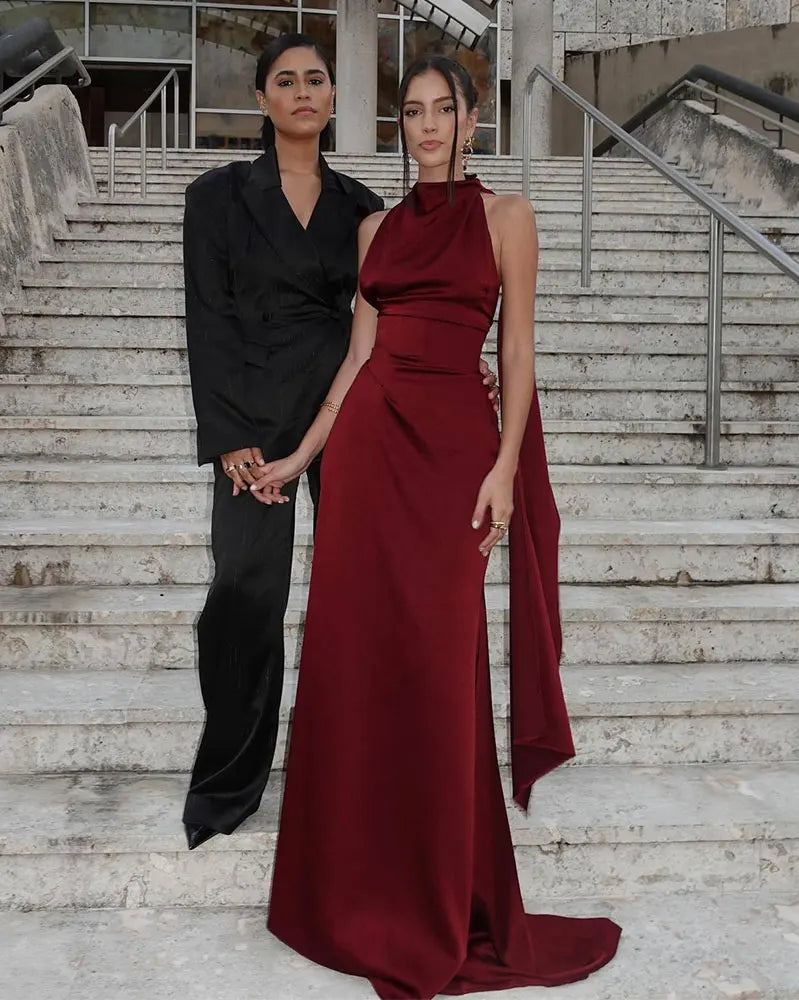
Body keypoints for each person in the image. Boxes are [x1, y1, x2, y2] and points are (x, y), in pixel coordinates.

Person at [259, 55, 622, 997]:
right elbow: (356, 361)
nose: (425, 126)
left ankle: (439, 888)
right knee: (357, 658)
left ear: (471, 119)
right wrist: (303, 458)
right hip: (373, 456)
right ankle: (356, 888)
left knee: (439, 661)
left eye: (441, 110)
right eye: (411, 112)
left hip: (457, 456)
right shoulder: (374, 227)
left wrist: (503, 467)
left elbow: (518, 347)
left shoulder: (508, 217)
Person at [182, 35, 498, 850]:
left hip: (361, 417)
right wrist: (228, 437)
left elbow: (404, 313)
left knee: (362, 602)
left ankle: (359, 780)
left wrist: (464, 372)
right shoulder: (215, 197)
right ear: (261, 99)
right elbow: (208, 323)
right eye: (284, 81)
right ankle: (229, 781)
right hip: (254, 421)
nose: (301, 92)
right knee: (245, 594)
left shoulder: (364, 208)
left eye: (315, 80)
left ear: (332, 98)